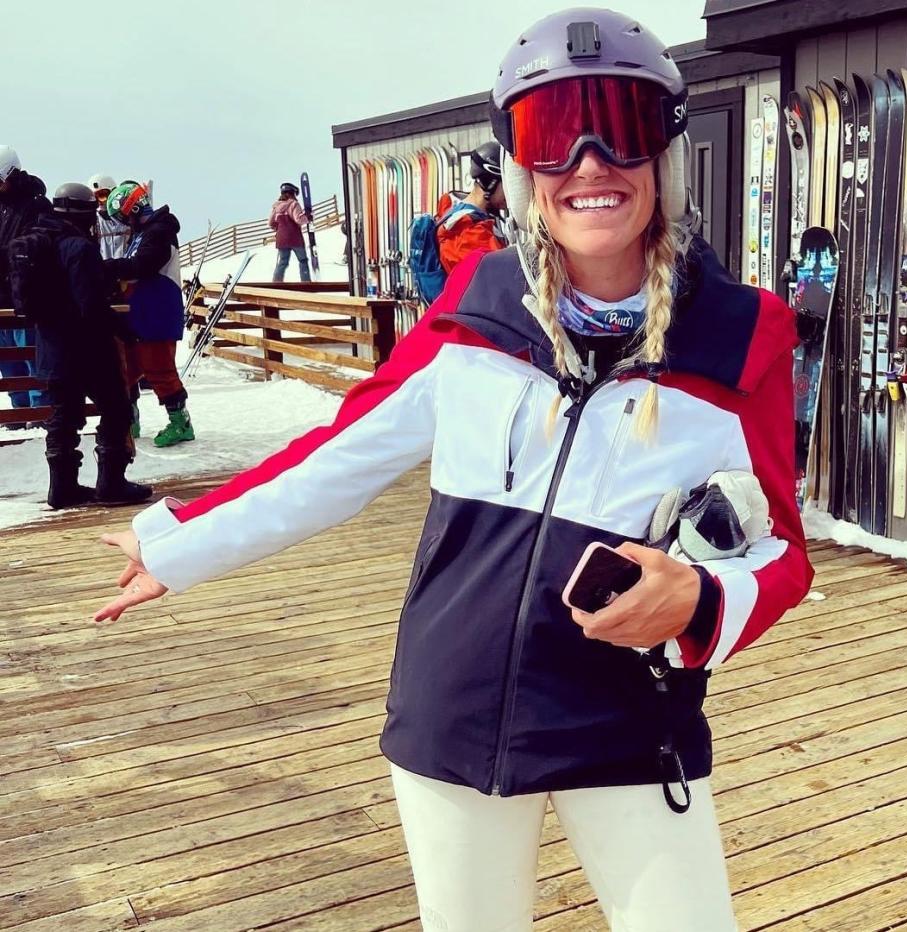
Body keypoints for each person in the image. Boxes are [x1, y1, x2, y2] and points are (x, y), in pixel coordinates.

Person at [94, 9, 810, 929]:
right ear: (522, 169)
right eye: (554, 136)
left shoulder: (741, 337)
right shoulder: (479, 311)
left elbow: (782, 552)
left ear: (662, 157)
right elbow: (337, 459)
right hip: (454, 709)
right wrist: (178, 542)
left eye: (620, 129)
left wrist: (704, 603)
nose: (589, 163)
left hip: (627, 719)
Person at [16, 184, 151, 508]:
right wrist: (122, 329)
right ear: (84, 213)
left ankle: (62, 488)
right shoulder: (79, 247)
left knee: (64, 416)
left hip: (51, 347)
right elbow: (90, 305)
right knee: (116, 409)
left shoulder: (40, 242)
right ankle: (111, 484)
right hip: (87, 348)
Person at [103, 180, 194, 447]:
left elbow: (143, 265)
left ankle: (180, 422)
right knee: (127, 367)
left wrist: (108, 267)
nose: (122, 222)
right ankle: (129, 419)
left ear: (130, 208)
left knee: (159, 368)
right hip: (139, 310)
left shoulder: (159, 231)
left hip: (158, 310)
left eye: (121, 216)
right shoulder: (143, 233)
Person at [0, 144, 49, 418]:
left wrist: (5, 256)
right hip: (1, 297)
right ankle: (20, 412)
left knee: (30, 354)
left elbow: (35, 246)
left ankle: (40, 411)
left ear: (12, 174)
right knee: (8, 360)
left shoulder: (36, 204)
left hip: (25, 296)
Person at [435, 140, 508, 275]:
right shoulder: (468, 231)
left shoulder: (460, 211)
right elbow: (497, 278)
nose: (510, 194)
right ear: (491, 183)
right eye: (507, 185)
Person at [269, 182, 311, 282]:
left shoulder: (276, 206)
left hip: (281, 239)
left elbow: (271, 223)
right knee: (302, 260)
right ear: (292, 193)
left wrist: (280, 229)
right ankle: (306, 282)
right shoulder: (293, 204)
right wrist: (308, 218)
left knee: (283, 262)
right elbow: (298, 219)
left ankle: (276, 282)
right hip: (294, 237)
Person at [88, 174, 130, 260]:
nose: (99, 201)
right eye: (94, 197)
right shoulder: (93, 224)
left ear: (113, 192)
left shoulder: (129, 219)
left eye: (102, 195)